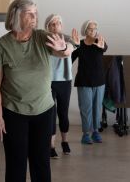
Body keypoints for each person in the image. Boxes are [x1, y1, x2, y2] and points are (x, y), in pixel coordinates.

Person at [0, 0, 74, 182]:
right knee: (16, 164)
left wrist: (65, 47)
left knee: (41, 162)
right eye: (30, 14)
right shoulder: (1, 46)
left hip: (43, 111)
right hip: (14, 113)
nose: (35, 18)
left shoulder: (41, 37)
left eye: (36, 13)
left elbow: (63, 51)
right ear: (17, 15)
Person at [44, 14, 79, 158]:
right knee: (51, 115)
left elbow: (68, 50)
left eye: (58, 23)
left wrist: (68, 47)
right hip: (48, 81)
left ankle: (65, 141)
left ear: (61, 25)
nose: (55, 26)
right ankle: (51, 145)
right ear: (48, 27)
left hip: (65, 81)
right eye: (52, 24)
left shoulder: (68, 39)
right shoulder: (44, 40)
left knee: (63, 113)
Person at [72, 19, 108, 144]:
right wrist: (73, 46)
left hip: (99, 81)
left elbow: (105, 48)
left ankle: (96, 132)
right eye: (90, 29)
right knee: (86, 108)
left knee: (97, 108)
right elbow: (69, 58)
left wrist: (101, 46)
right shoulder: (79, 44)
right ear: (85, 30)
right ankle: (86, 134)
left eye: (95, 29)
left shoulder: (100, 42)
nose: (93, 31)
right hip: (84, 81)